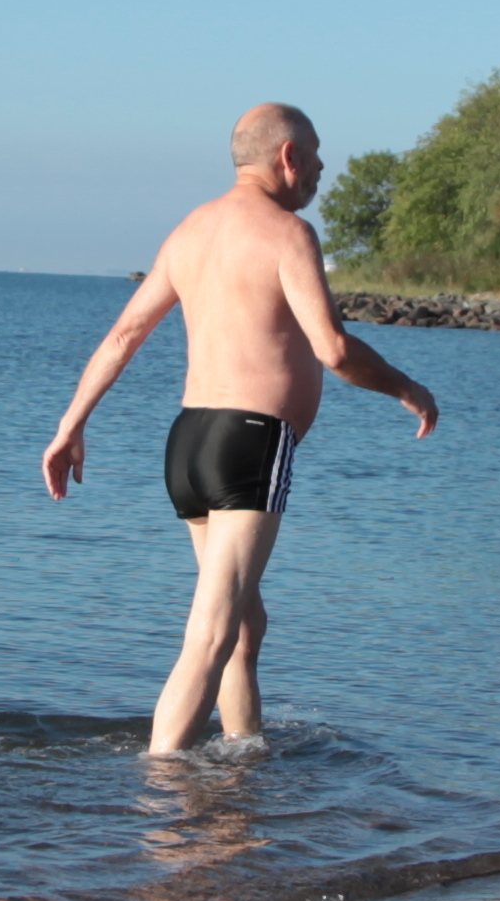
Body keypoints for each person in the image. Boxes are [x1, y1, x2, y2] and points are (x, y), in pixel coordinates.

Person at [39, 103, 440, 754]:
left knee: (244, 623)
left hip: (191, 443)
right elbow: (332, 349)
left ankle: (241, 760)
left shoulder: (190, 231)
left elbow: (123, 336)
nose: (320, 170)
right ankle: (164, 785)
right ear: (287, 157)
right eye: (314, 156)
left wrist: (70, 425)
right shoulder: (287, 233)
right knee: (213, 629)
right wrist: (406, 387)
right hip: (252, 441)